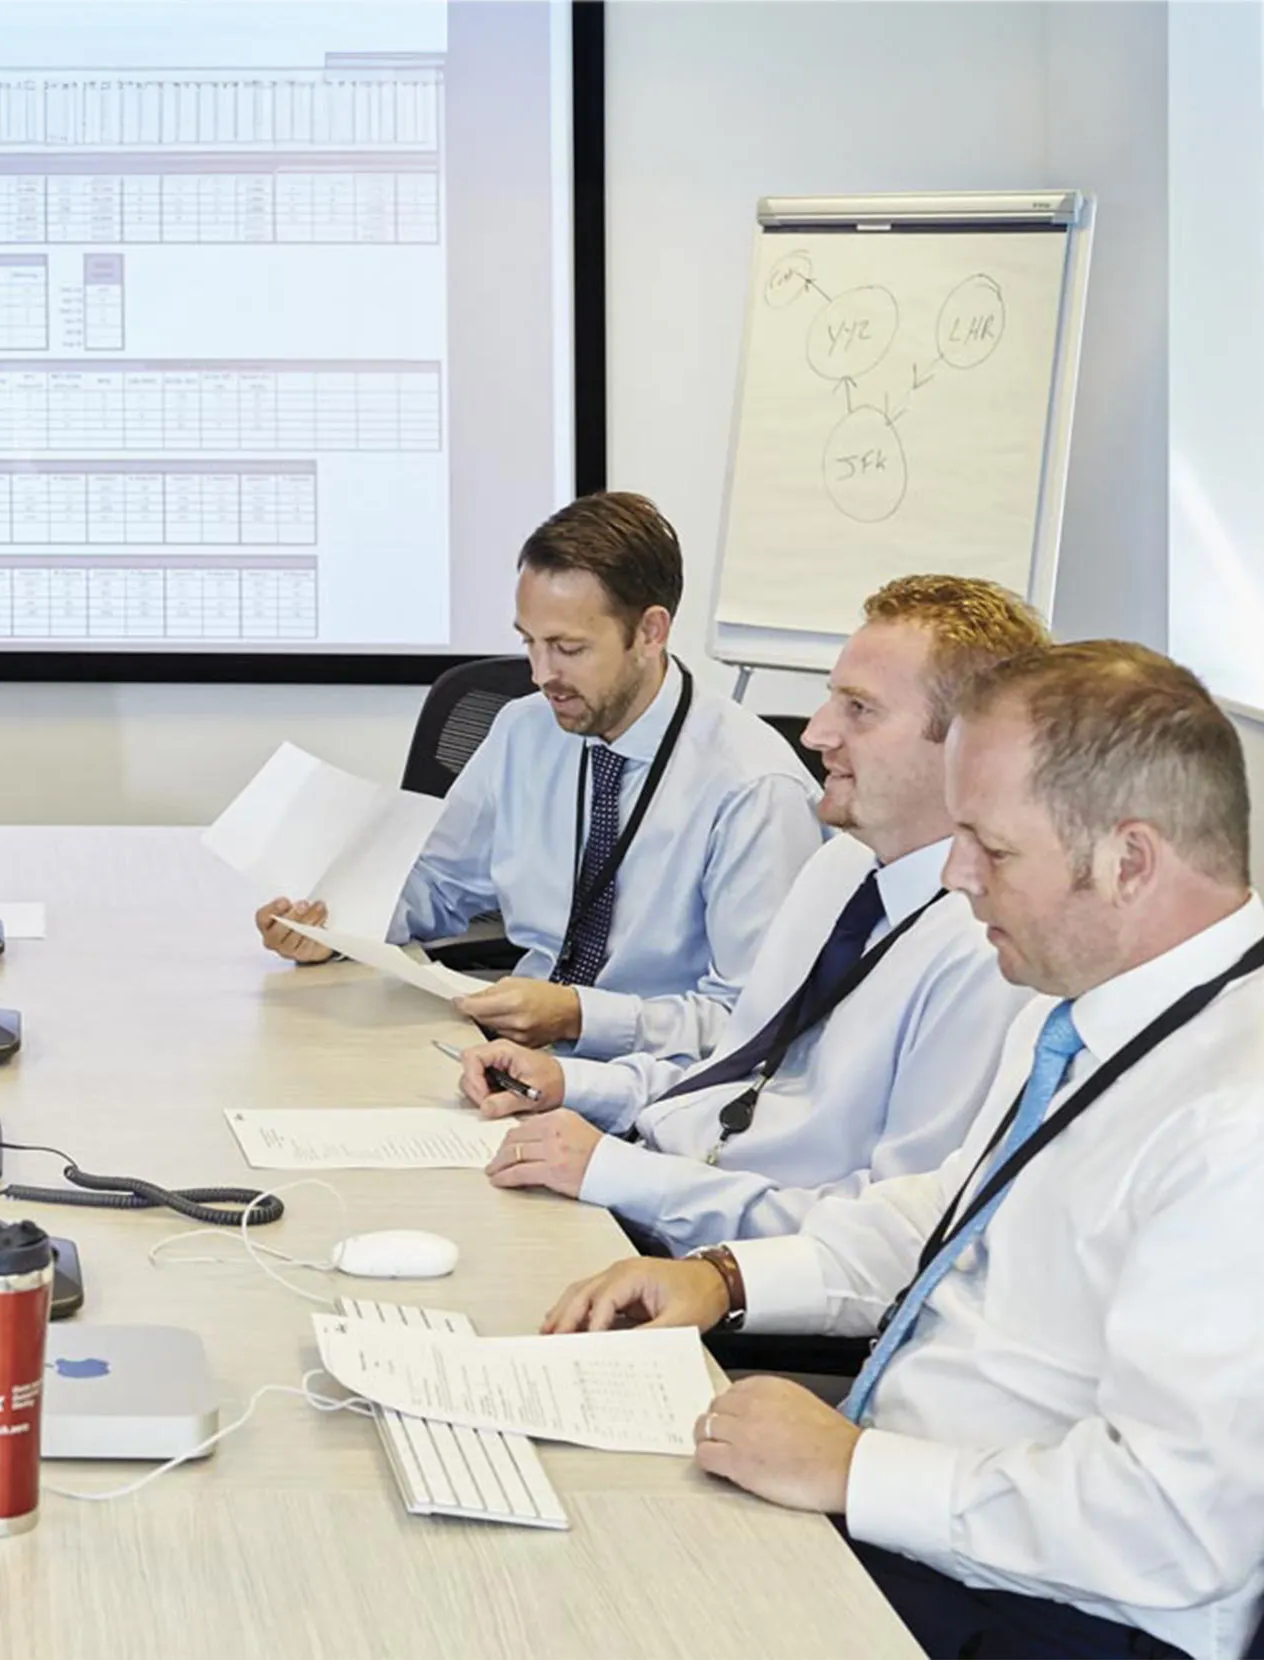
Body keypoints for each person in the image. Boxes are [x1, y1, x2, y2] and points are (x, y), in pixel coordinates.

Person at [541, 642, 1264, 1660]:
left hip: (1056, 1612)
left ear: (1128, 860)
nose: (958, 880)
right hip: (926, 1509)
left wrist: (852, 1470)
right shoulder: (1083, 1007)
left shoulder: (1234, 1122)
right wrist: (722, 1278)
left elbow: (1176, 1527)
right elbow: (943, 1220)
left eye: (992, 849)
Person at [462, 577, 1044, 1252]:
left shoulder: (989, 955)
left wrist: (621, 1175)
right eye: (832, 698)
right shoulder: (843, 867)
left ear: (968, 748)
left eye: (859, 709)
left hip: (720, 1259)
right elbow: (736, 1069)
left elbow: (890, 1237)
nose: (818, 732)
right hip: (658, 1187)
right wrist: (577, 1084)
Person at [258, 492, 823, 1062]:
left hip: (655, 1089)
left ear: (651, 633)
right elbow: (440, 883)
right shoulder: (525, 731)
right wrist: (332, 925)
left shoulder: (754, 790)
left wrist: (581, 1016)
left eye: (568, 648)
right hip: (513, 1055)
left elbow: (752, 1019)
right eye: (528, 641)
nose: (539, 674)